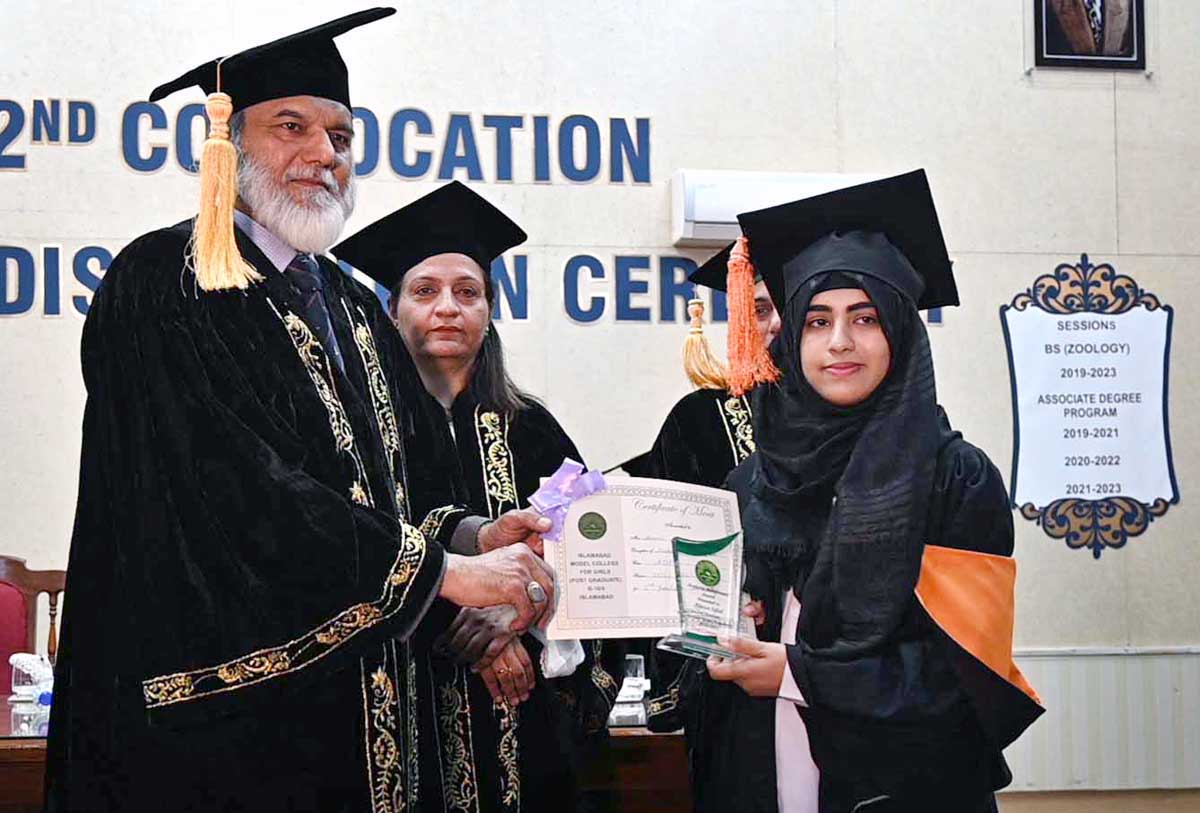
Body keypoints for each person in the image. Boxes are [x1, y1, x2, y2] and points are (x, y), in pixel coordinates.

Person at [45, 12, 558, 813]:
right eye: (293, 127)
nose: (325, 155)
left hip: (367, 725)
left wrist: (472, 533)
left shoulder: (354, 307)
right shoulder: (166, 282)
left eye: (342, 136)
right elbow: (232, 490)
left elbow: (412, 477)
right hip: (226, 733)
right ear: (228, 145)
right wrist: (447, 572)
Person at [705, 170, 1044, 811]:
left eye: (865, 318)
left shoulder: (955, 478)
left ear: (901, 332)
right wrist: (734, 619)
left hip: (904, 785)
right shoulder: (751, 481)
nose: (838, 342)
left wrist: (799, 675)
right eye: (816, 320)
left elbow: (964, 676)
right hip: (765, 769)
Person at [332, 180, 625, 812]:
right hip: (397, 705)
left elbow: (593, 552)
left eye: (468, 293)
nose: (447, 307)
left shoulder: (532, 428)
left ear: (489, 310)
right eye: (425, 291)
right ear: (392, 311)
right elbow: (344, 548)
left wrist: (520, 616)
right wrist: (462, 624)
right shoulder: (354, 431)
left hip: (522, 720)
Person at [620, 243, 780, 740]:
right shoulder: (701, 421)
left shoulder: (876, 427)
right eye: (758, 310)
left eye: (793, 306)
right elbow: (661, 561)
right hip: (729, 685)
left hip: (844, 687)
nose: (776, 325)